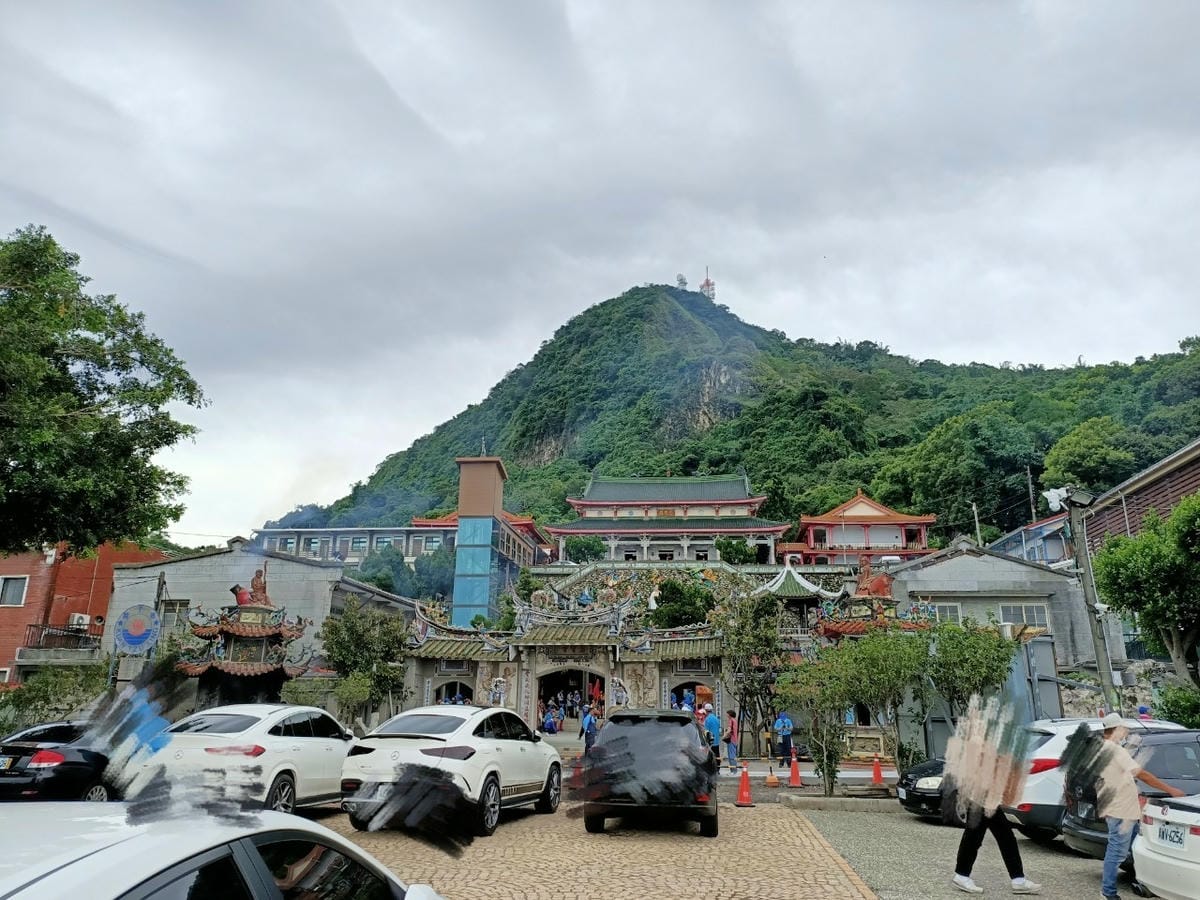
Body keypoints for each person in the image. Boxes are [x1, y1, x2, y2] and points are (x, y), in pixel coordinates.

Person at [1094, 713, 1184, 900]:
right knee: (1117, 852)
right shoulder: (1115, 750)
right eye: (1124, 729)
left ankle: (1144, 883)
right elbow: (1142, 774)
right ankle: (1108, 892)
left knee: (1139, 848)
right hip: (1121, 811)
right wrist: (1170, 790)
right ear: (1116, 729)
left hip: (1119, 808)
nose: (1126, 732)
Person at [722, 708, 739, 774]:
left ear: (730, 714)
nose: (726, 715)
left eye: (727, 714)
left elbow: (729, 730)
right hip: (735, 740)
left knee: (731, 756)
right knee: (733, 755)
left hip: (731, 740)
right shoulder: (735, 720)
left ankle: (733, 771)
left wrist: (724, 736)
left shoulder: (731, 720)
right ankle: (734, 770)